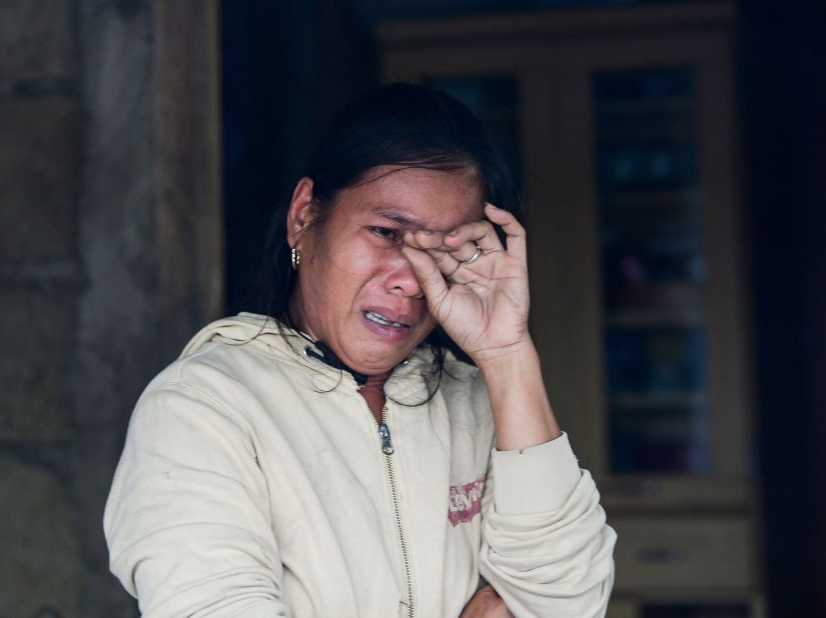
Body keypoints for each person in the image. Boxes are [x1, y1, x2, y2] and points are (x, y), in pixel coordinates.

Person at [104, 83, 616, 617]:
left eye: (447, 249)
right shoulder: (203, 406)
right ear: (304, 215)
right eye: (387, 232)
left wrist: (507, 355)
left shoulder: (480, 403)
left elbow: (571, 603)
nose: (413, 281)